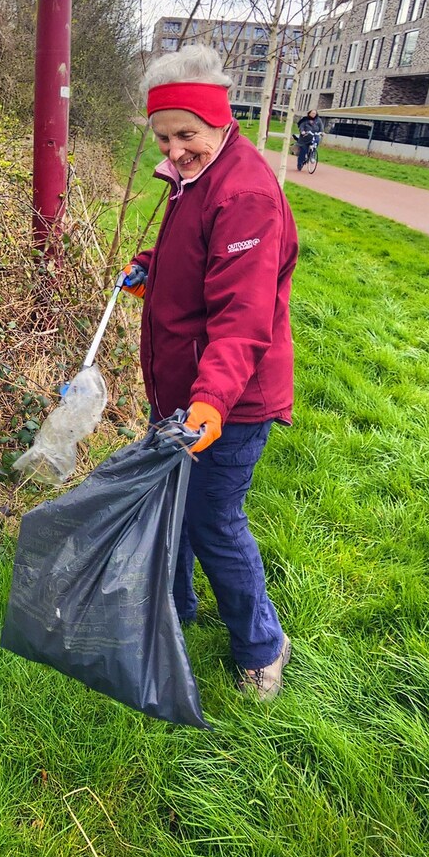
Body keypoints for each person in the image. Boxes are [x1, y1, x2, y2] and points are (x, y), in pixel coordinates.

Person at [121, 44, 298, 701]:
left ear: (219, 122)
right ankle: (175, 612)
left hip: (229, 397)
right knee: (173, 504)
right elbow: (198, 258)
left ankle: (261, 643)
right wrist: (151, 268)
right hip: (182, 389)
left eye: (185, 134)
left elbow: (241, 315)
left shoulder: (246, 194)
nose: (173, 150)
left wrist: (213, 402)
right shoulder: (197, 177)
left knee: (211, 519)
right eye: (163, 138)